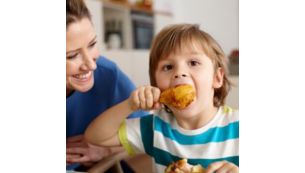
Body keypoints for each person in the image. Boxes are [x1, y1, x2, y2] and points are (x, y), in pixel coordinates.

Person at [85, 24, 239, 173]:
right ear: (156, 84)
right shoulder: (155, 128)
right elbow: (95, 136)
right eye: (168, 67)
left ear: (217, 77)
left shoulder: (238, 127)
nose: (179, 73)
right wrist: (129, 105)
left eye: (193, 63)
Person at [66, 0, 146, 171]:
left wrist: (106, 149)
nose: (91, 65)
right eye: (72, 56)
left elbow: (149, 134)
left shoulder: (107, 74)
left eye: (92, 44)